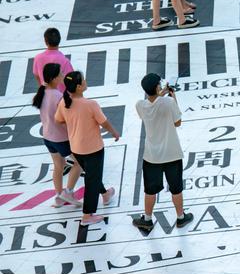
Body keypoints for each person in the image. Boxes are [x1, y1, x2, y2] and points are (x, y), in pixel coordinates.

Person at [53, 71, 120, 226]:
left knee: (92, 175)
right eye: (83, 80)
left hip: (76, 148)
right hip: (93, 149)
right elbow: (104, 122)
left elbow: (58, 120)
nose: (85, 81)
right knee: (92, 180)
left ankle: (105, 194)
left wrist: (73, 125)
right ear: (78, 87)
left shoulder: (64, 102)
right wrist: (114, 132)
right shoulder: (90, 105)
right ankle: (87, 216)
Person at [133, 73, 194, 232]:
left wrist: (161, 93)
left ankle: (147, 219)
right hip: (172, 153)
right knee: (176, 188)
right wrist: (173, 97)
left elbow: (152, 103)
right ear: (157, 87)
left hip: (152, 156)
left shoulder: (140, 105)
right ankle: (180, 217)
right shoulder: (168, 102)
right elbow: (177, 122)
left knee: (150, 190)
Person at [32, 63, 84, 208]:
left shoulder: (41, 93)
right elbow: (65, 120)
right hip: (61, 138)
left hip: (47, 137)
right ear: (54, 78)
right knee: (80, 163)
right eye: (61, 73)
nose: (63, 75)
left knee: (58, 166)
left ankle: (59, 196)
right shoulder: (58, 96)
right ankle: (68, 191)